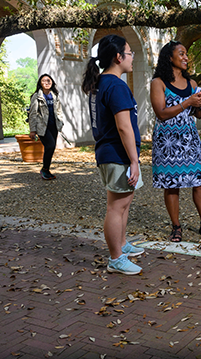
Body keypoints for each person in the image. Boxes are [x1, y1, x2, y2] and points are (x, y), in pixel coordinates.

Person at [150, 40, 201, 243]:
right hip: (167, 141)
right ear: (170, 57)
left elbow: (199, 115)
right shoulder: (158, 82)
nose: (186, 57)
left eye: (186, 54)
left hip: (189, 140)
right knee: (172, 185)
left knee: (200, 182)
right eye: (182, 53)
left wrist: (199, 103)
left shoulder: (191, 83)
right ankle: (176, 227)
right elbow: (161, 113)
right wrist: (187, 102)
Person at [82, 34, 145, 275]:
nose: (132, 58)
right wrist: (133, 160)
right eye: (130, 53)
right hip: (117, 154)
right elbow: (123, 126)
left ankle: (121, 244)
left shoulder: (101, 83)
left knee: (123, 203)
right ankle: (116, 258)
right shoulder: (116, 85)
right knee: (116, 207)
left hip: (109, 152)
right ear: (118, 57)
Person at [29, 74, 64, 180]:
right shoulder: (37, 96)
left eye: (48, 81)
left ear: (52, 82)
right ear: (40, 83)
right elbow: (33, 113)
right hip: (42, 127)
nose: (47, 83)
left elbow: (59, 110)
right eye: (44, 81)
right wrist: (33, 130)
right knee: (50, 145)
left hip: (54, 126)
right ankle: (44, 169)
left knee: (52, 147)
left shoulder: (55, 95)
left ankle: (46, 169)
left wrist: (60, 122)